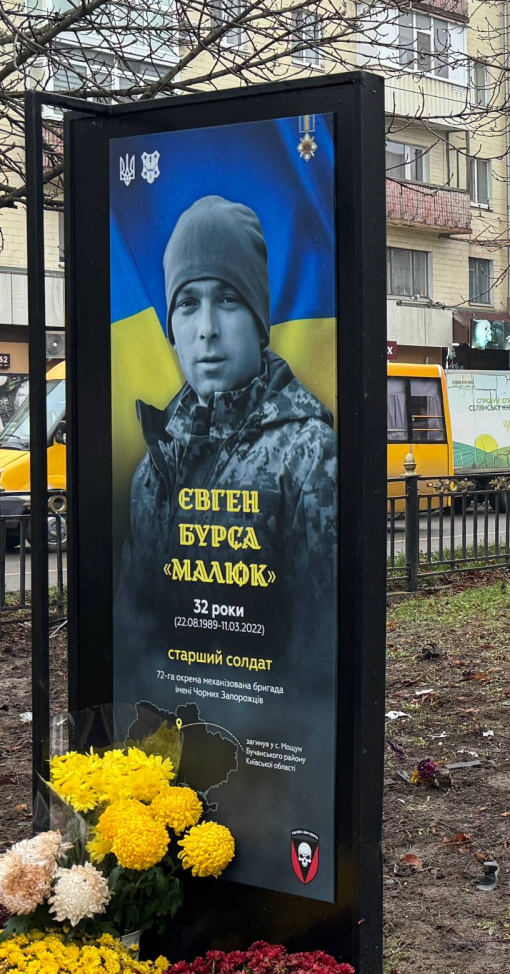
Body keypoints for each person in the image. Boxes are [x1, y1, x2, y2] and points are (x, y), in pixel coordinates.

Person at [115, 195, 338, 661]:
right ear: (172, 327)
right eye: (189, 304)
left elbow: (318, 654)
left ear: (260, 323)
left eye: (229, 299)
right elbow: (132, 635)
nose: (207, 329)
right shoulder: (157, 460)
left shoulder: (309, 456)